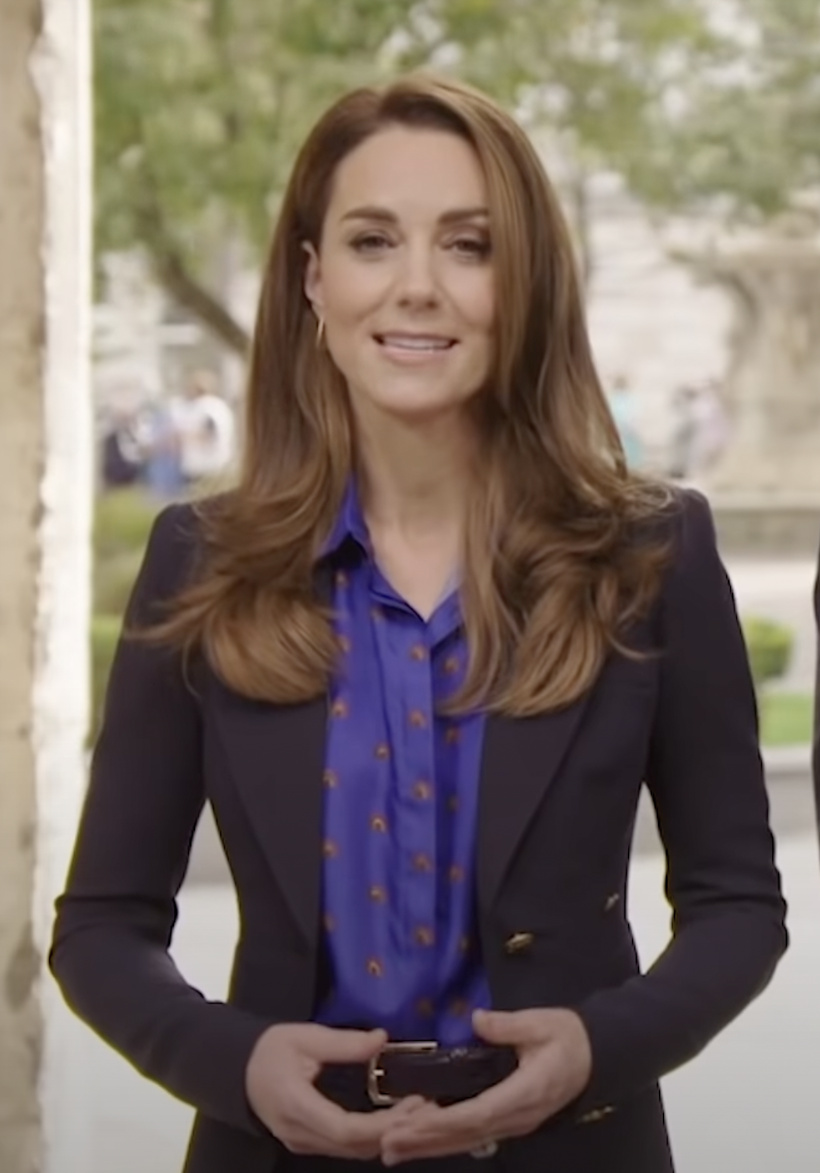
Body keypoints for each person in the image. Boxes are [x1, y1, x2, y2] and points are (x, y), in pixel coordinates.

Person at [50, 75, 787, 1173]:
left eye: (468, 245)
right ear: (312, 279)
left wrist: (595, 1048)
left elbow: (736, 907)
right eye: (371, 241)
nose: (417, 288)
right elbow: (101, 928)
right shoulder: (199, 564)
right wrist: (236, 1064)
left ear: (522, 280)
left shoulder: (650, 554)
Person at [172, 368, 236, 486]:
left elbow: (208, 432)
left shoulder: (203, 406)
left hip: (203, 466)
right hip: (220, 464)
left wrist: (184, 437)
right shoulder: (221, 406)